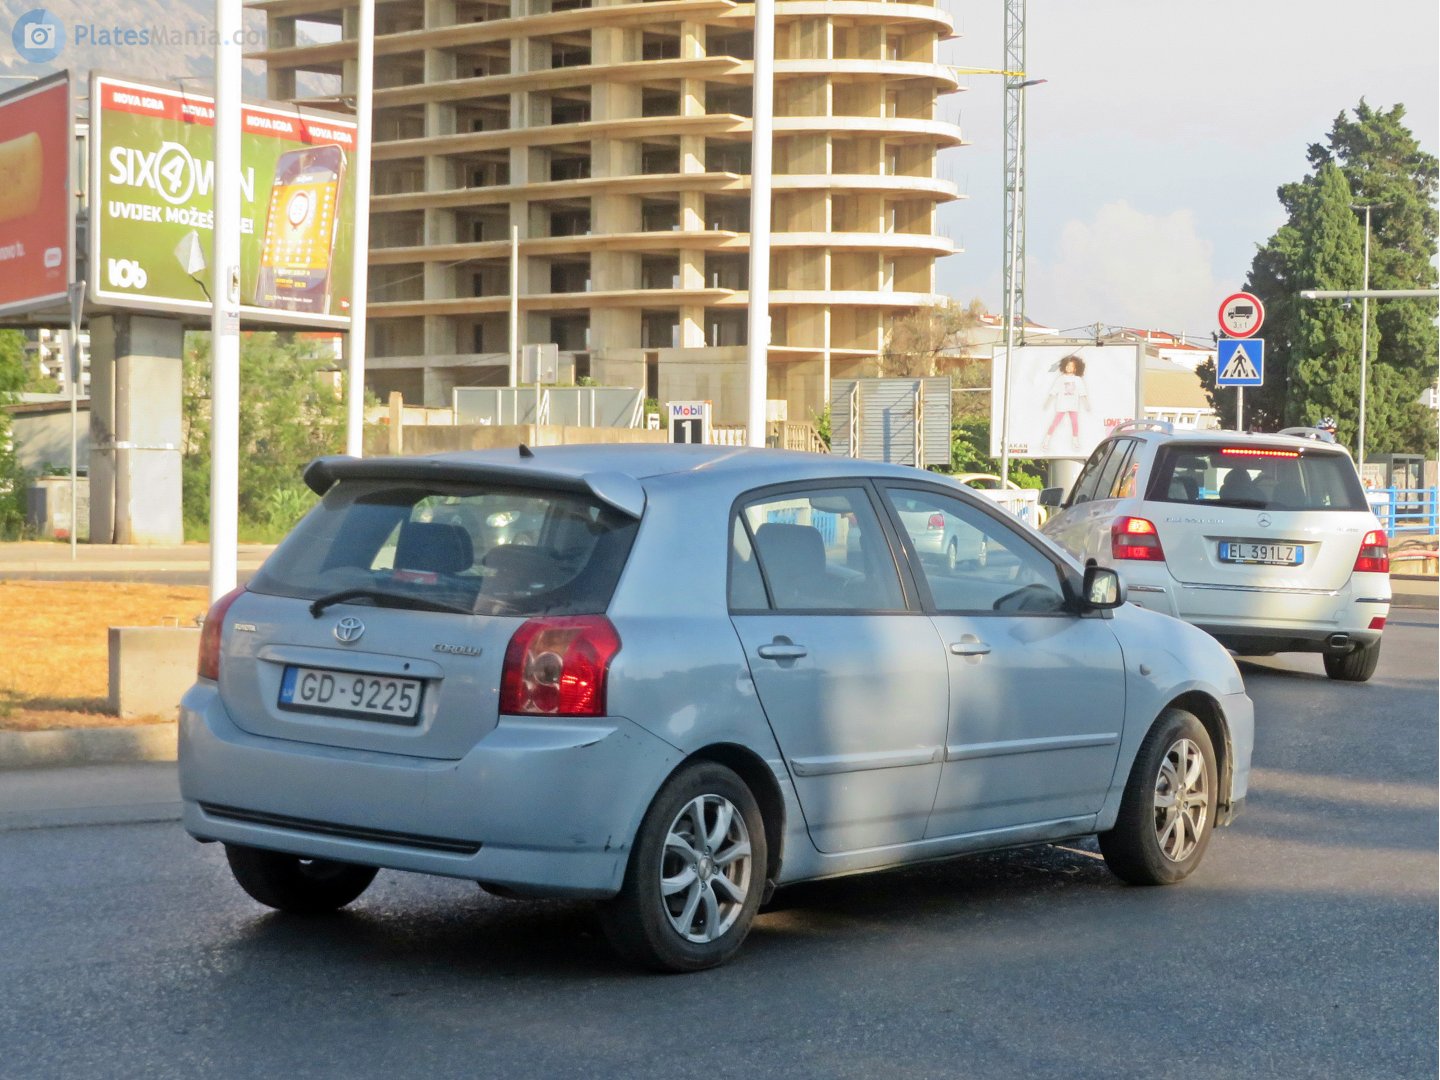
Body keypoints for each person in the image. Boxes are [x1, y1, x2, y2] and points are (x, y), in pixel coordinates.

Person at [1040, 354, 1090, 454]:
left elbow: (1082, 392)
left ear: (1076, 368)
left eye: (1071, 366)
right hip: (1062, 404)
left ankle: (1075, 441)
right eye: (1067, 365)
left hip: (1073, 405)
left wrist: (1087, 404)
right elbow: (1053, 391)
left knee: (1075, 423)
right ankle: (1046, 441)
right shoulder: (1061, 378)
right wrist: (1047, 402)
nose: (1069, 367)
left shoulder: (1078, 380)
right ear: (1064, 366)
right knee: (1055, 423)